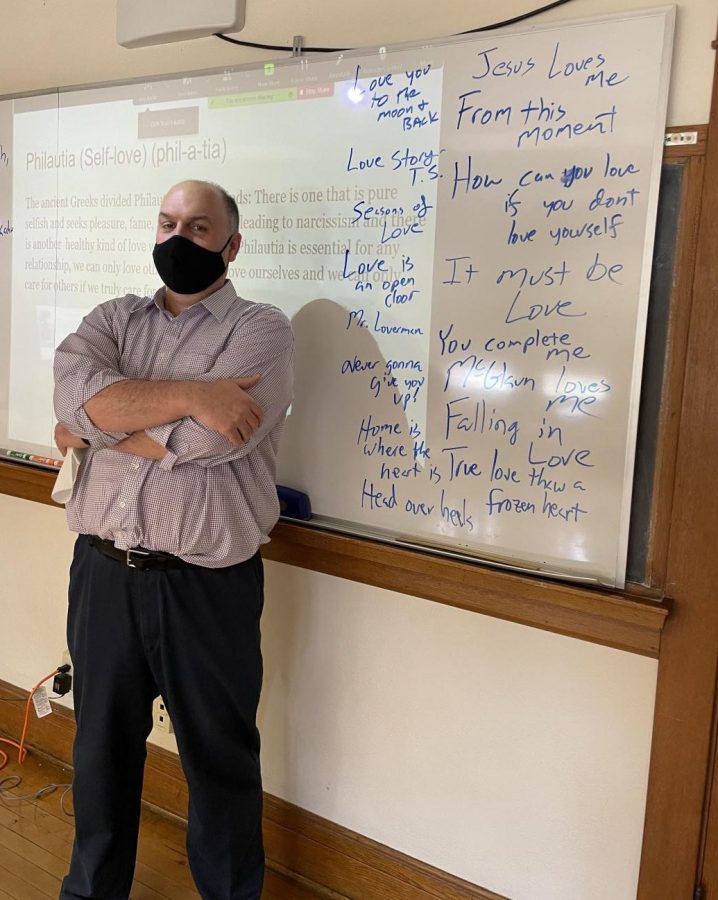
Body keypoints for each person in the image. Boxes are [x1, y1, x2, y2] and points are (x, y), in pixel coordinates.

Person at [53, 179, 294, 900]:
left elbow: (214, 444)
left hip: (205, 584)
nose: (177, 238)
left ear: (232, 244)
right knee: (99, 754)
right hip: (102, 574)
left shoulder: (262, 330)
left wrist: (100, 428)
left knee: (218, 763)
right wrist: (193, 393)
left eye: (197, 227)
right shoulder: (113, 318)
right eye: (167, 223)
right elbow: (73, 400)